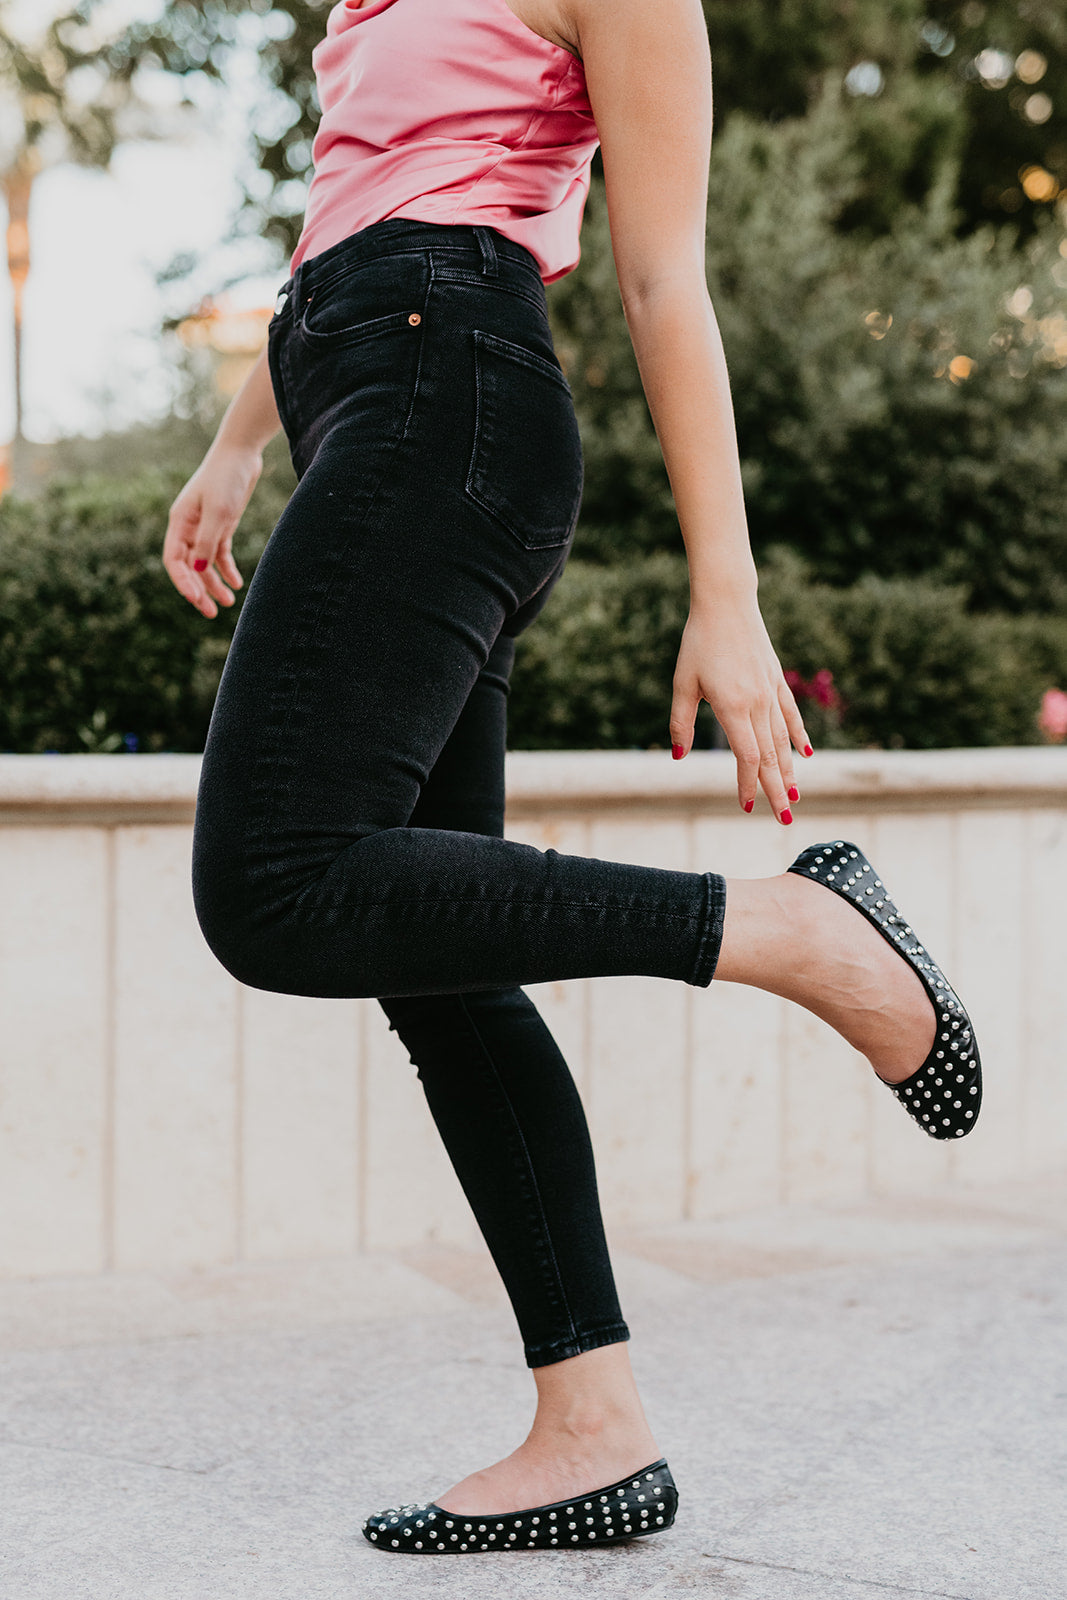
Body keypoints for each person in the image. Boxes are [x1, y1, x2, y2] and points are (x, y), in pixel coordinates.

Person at [163, 0, 982, 1555]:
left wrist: (724, 593)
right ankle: (593, 1426)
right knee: (443, 970)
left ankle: (790, 933)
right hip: (371, 396)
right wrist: (241, 435)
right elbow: (367, 198)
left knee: (274, 880)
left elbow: (666, 276)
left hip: (445, 404)